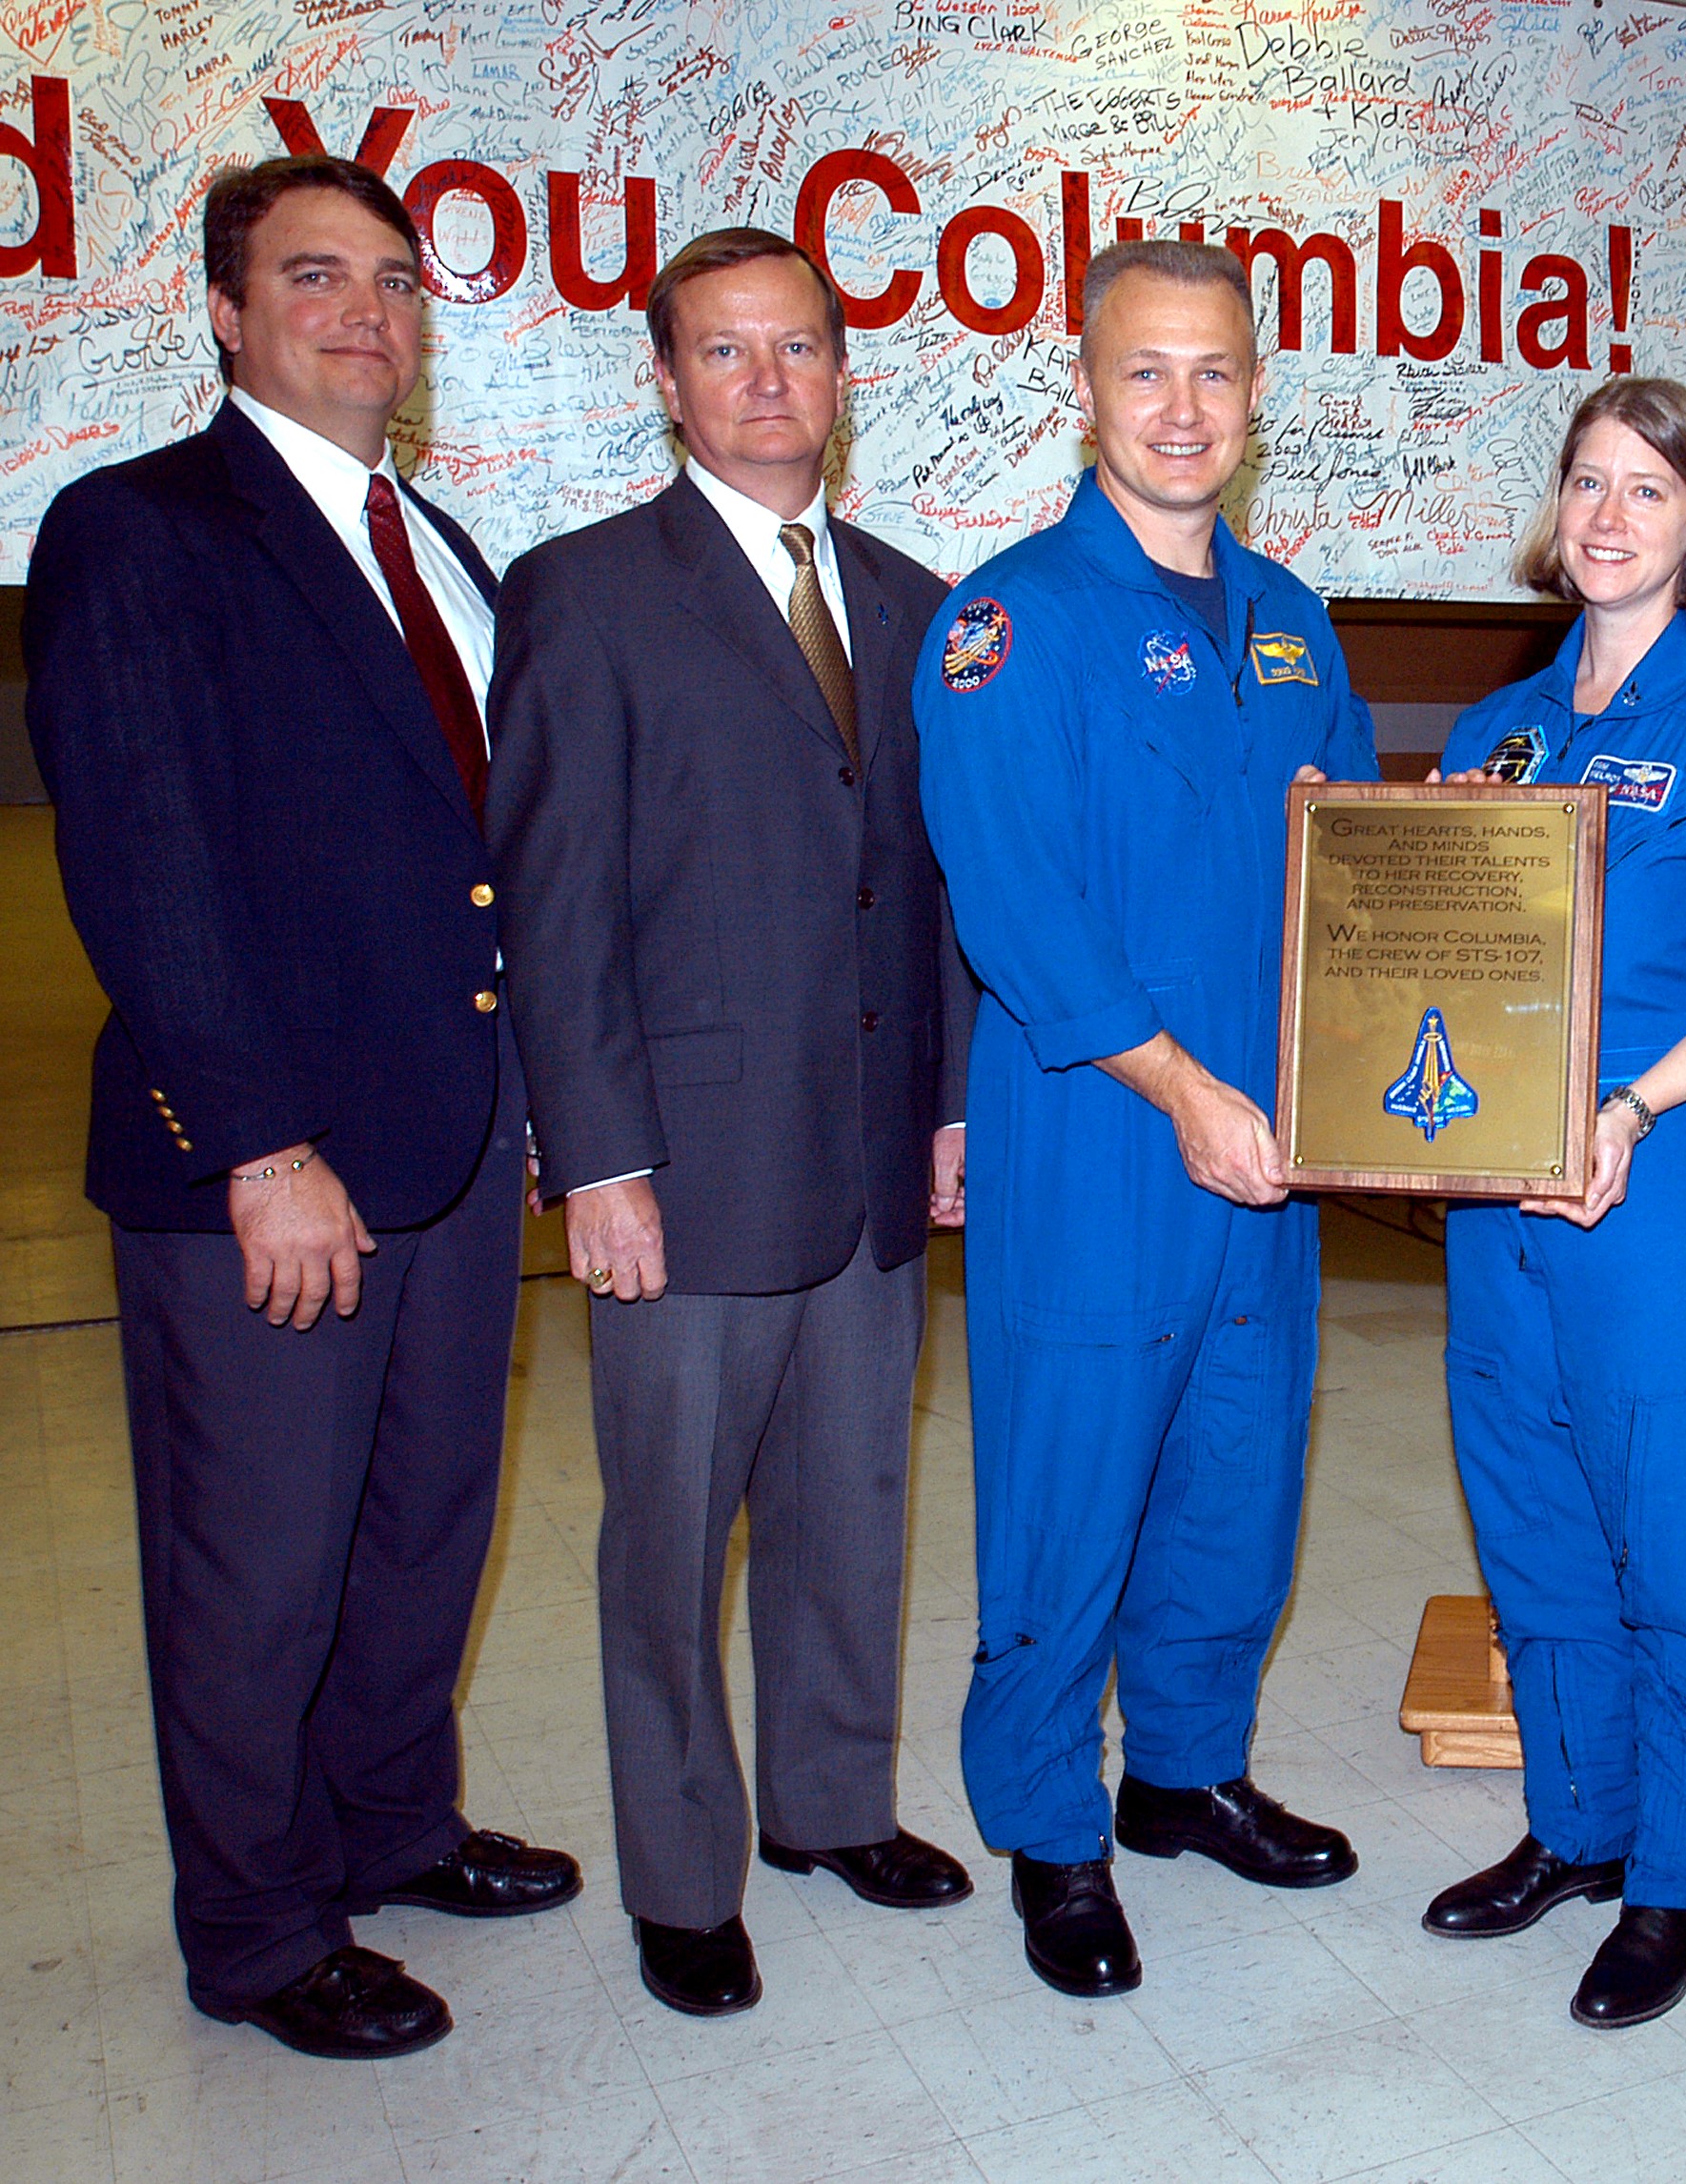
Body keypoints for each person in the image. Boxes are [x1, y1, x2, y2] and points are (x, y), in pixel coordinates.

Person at [21, 155, 579, 2061]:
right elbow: (146, 863)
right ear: (225, 314)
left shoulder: (444, 550)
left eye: (396, 280)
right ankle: (258, 1928)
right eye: (316, 276)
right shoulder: (139, 529)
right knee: (257, 1566)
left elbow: (479, 866)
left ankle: (392, 1827)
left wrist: (530, 1096)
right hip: (272, 1168)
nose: (367, 311)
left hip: (450, 1143)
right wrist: (260, 1148)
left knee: (422, 1527)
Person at [486, 227, 977, 2018]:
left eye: (800, 348)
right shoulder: (584, 593)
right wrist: (599, 1161)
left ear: (845, 373)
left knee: (853, 1508)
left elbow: (933, 890)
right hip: (681, 1173)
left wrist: (949, 1108)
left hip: (868, 1164)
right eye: (725, 351)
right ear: (668, 380)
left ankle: (831, 1808)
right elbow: (556, 905)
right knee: (669, 1541)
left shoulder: (919, 603)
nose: (768, 381)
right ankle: (685, 1878)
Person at [913, 238, 1374, 1998]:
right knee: (1072, 1487)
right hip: (1102, 1133)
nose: (1184, 409)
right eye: (1146, 372)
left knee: (1238, 1476)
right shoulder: (1008, 623)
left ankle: (1184, 1773)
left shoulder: (1293, 622)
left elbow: (1360, 876)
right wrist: (1179, 1087)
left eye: (1217, 373)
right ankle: (1049, 1824)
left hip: (1274, 1145)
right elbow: (1015, 904)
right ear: (1087, 389)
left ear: (1256, 395)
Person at [1421, 379, 1686, 2028]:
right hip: (1496, 1194)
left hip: (1656, 1187)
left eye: (1648, 491)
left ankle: (1680, 1876)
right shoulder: (1496, 731)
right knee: (1531, 1515)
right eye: (1588, 483)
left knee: (1682, 1535)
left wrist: (1633, 1102)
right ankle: (1580, 1824)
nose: (1609, 517)